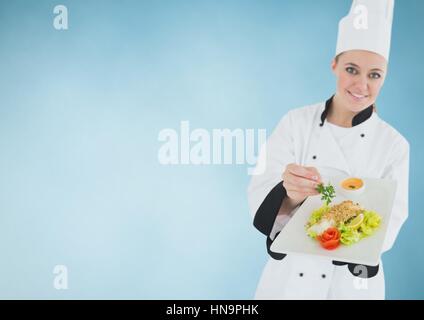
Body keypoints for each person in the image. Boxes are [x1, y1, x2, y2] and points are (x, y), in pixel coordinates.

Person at [248, 0, 409, 299]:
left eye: (374, 74)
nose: (362, 85)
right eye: (352, 69)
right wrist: (290, 193)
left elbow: (392, 218)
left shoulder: (394, 145)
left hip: (351, 284)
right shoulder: (295, 122)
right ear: (334, 65)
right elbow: (261, 187)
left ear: (384, 76)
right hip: (289, 283)